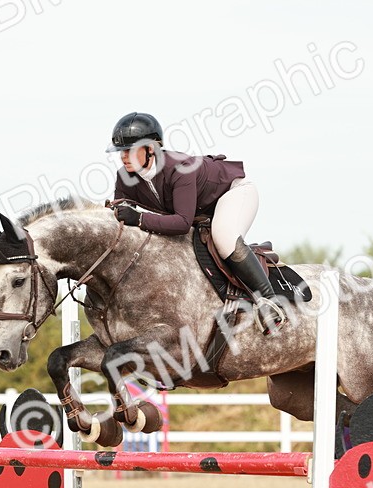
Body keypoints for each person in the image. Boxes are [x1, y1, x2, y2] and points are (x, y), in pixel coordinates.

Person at [106, 112, 286, 334]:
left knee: (224, 237)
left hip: (234, 193)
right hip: (200, 210)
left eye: (130, 150)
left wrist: (140, 218)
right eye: (121, 151)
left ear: (151, 149)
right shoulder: (125, 177)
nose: (123, 156)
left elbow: (182, 223)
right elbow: (123, 217)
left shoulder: (180, 168)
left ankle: (270, 303)